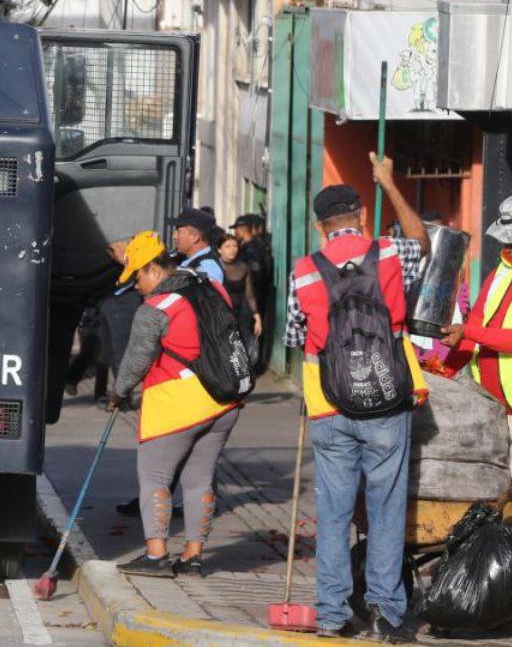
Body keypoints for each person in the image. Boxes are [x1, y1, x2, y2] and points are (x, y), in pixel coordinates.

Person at [284, 156, 430, 643]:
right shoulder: (389, 253)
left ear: (319, 226)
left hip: (329, 403)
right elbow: (424, 243)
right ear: (361, 216)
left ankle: (330, 615)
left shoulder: (304, 271)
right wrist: (389, 181)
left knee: (333, 513)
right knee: (386, 507)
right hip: (388, 399)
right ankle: (386, 615)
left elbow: (294, 334)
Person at [108, 236, 243, 578]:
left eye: (137, 278)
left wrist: (118, 392)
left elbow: (136, 361)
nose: (137, 287)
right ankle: (194, 557)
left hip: (177, 403)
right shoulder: (211, 286)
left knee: (155, 477)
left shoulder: (156, 307)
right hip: (225, 399)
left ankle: (156, 555)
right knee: (200, 480)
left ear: (154, 269)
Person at [442, 195, 512, 469]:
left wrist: (468, 331)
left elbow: (475, 331)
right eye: (507, 243)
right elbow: (476, 324)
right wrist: (443, 371)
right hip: (494, 405)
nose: (509, 247)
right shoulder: (498, 272)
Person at [66, 240, 130, 400]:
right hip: (91, 316)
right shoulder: (104, 268)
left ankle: (98, 391)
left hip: (99, 315)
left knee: (103, 353)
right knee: (92, 351)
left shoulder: (115, 268)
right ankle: (73, 380)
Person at [218, 233, 262, 345]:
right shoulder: (215, 267)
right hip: (221, 312)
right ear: (219, 250)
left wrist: (257, 317)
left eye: (235, 246)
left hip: (242, 312)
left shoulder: (243, 267)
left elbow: (249, 294)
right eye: (227, 247)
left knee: (242, 346)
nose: (232, 250)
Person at [168, 207, 224, 284]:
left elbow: (208, 295)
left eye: (179, 231)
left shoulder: (207, 269)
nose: (174, 236)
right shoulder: (183, 258)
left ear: (194, 238)